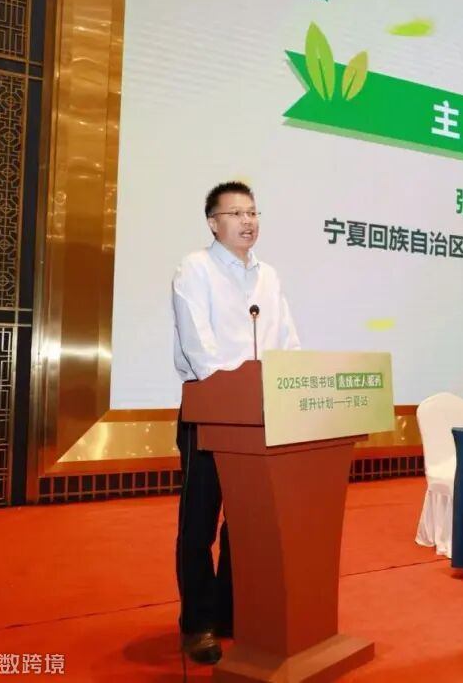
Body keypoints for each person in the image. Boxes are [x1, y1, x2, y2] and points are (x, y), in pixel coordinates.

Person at [172, 181, 301, 665]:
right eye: (236, 213)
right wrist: (236, 389)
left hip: (260, 416)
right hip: (210, 412)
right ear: (213, 222)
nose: (248, 221)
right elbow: (198, 347)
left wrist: (292, 380)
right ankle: (198, 623)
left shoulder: (269, 276)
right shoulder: (195, 268)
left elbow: (287, 341)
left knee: (244, 523)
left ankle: (229, 611)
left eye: (253, 212)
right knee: (199, 523)